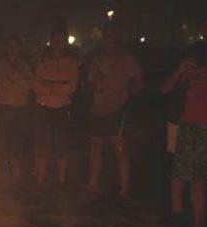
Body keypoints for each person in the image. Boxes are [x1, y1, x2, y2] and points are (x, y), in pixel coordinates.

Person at [162, 10, 207, 227]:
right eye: (206, 24)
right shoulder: (194, 54)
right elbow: (166, 88)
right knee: (195, 178)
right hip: (192, 124)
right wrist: (181, 71)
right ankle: (198, 224)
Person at [85, 22, 144, 199]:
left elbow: (139, 83)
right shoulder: (97, 59)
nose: (109, 39)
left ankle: (124, 188)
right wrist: (96, 81)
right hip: (98, 109)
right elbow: (90, 84)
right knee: (96, 147)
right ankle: (94, 183)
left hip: (118, 109)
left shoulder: (127, 59)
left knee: (120, 150)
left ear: (118, 37)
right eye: (106, 36)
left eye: (112, 35)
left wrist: (128, 95)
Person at [32, 17, 79, 186]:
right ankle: (41, 179)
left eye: (61, 40)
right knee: (42, 144)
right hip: (43, 107)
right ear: (51, 41)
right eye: (55, 40)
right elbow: (36, 85)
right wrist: (59, 85)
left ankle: (61, 181)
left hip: (62, 109)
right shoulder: (42, 61)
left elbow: (72, 86)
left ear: (65, 41)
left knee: (61, 145)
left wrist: (49, 85)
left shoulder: (72, 62)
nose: (57, 44)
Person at [0, 35, 33, 183]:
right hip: (3, 108)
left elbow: (30, 85)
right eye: (10, 47)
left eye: (15, 47)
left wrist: (15, 78)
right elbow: (2, 83)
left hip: (20, 109)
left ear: (20, 49)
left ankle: (16, 179)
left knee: (17, 144)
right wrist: (20, 80)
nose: (12, 50)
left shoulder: (25, 66)